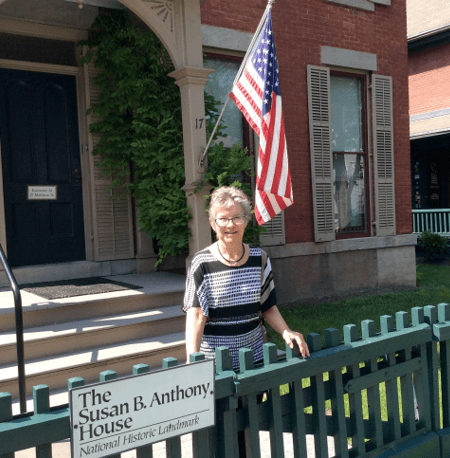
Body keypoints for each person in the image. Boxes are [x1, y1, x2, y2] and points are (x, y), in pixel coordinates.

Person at [183, 186, 309, 370]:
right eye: (223, 219)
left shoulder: (260, 259)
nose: (230, 224)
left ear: (245, 221)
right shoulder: (202, 263)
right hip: (216, 364)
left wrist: (286, 331)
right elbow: (196, 316)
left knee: (257, 400)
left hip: (255, 358)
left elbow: (268, 307)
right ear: (213, 224)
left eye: (237, 218)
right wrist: (191, 361)